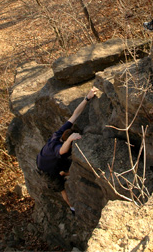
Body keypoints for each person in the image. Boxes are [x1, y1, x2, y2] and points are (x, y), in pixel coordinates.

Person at [36, 87, 98, 215]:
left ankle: (64, 172)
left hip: (50, 159)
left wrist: (87, 97)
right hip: (46, 169)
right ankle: (72, 208)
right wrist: (70, 140)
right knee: (61, 188)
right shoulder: (57, 147)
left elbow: (75, 114)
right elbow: (62, 151)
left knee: (68, 165)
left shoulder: (59, 133)